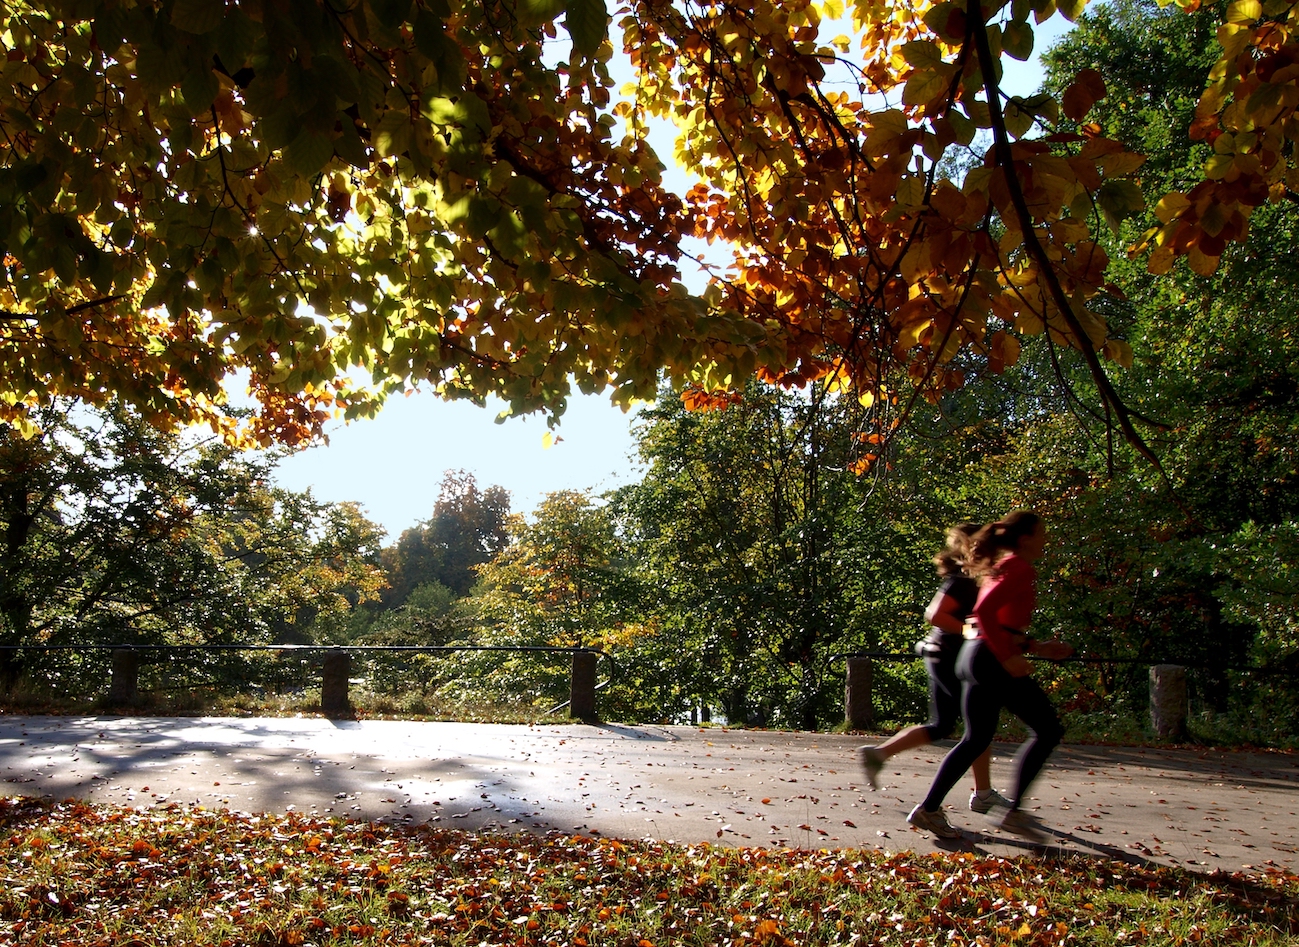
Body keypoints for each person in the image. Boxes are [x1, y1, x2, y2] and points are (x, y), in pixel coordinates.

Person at [906, 510, 1074, 842]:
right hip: (991, 660)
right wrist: (1009, 657)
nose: (1046, 539)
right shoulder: (1019, 567)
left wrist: (1036, 646)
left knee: (976, 738)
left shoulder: (1001, 568)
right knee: (1048, 729)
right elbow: (984, 614)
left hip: (975, 656)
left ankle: (929, 809)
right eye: (1042, 533)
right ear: (1025, 539)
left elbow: (996, 622)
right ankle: (1012, 813)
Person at [857, 523, 1010, 816]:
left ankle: (880, 754)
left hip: (948, 655)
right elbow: (935, 614)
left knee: (958, 726)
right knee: (975, 726)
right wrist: (973, 632)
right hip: (950, 657)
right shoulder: (963, 578)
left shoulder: (972, 577)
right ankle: (981, 794)